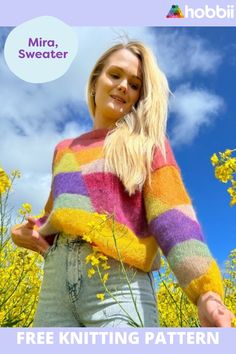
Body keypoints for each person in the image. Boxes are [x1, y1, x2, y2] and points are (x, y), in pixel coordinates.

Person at [12, 41, 234, 327]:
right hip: (54, 289)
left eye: (134, 83)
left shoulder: (148, 146)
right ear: (95, 81)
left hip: (120, 286)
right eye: (115, 75)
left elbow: (173, 220)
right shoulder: (64, 149)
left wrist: (207, 294)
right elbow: (62, 214)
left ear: (139, 97)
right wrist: (28, 233)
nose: (123, 86)